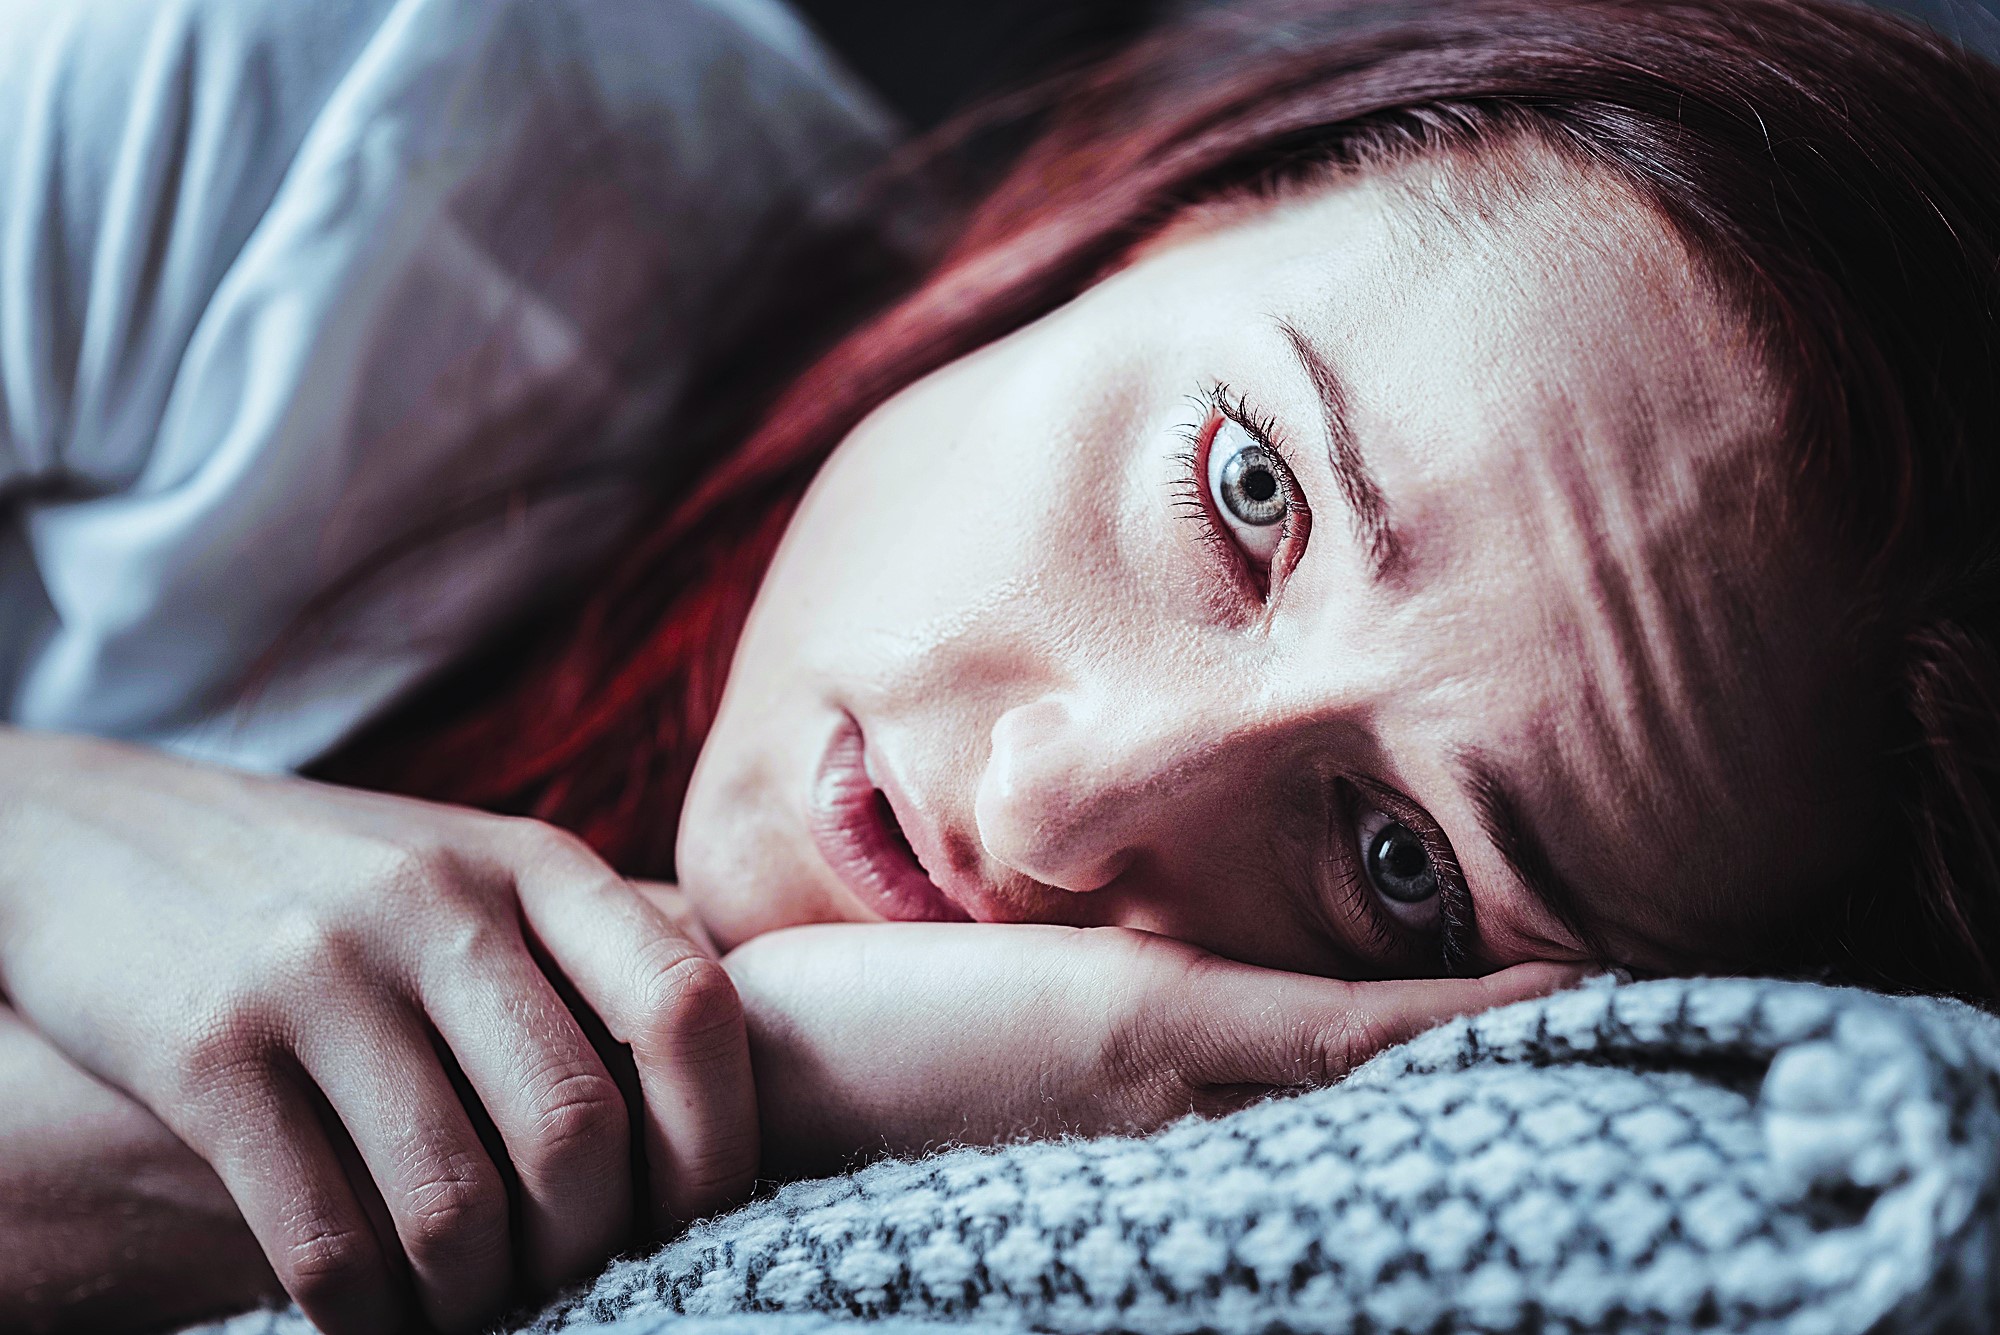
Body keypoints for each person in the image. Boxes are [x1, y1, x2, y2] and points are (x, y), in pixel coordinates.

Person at [3, 0, 1997, 1331]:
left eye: (1400, 864)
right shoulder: (300, 102)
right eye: (1246, 488)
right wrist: (47, 826)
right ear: (1162, 212)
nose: (1057, 803)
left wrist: (721, 1075)